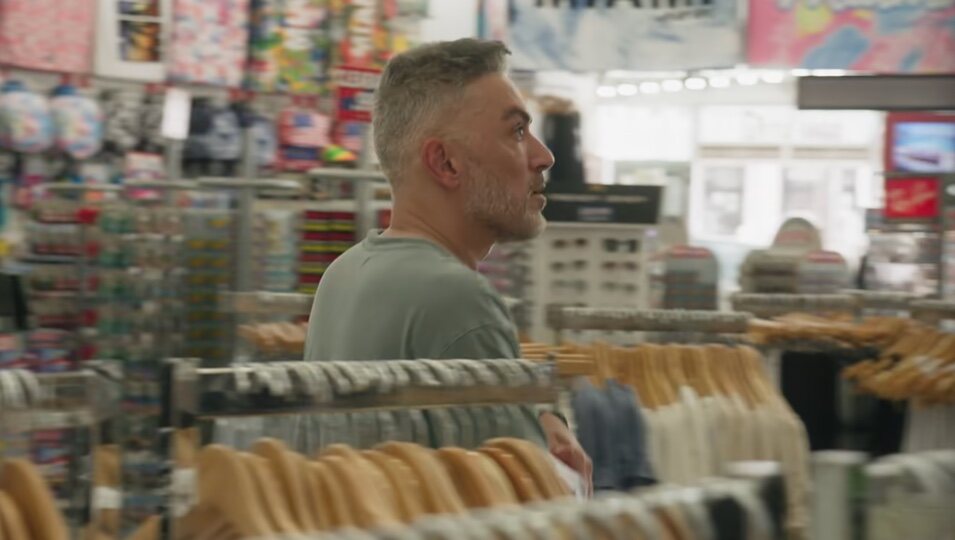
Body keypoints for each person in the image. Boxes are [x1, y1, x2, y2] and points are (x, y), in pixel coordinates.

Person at [304, 38, 592, 492]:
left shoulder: (344, 273)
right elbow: (527, 520)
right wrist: (569, 484)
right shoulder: (457, 299)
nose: (543, 156)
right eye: (516, 132)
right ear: (445, 163)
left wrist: (538, 415)